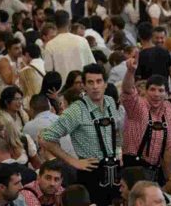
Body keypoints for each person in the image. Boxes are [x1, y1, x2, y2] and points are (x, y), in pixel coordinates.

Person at [42, 64, 123, 205]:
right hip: (91, 173)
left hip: (114, 171)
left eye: (99, 81)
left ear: (105, 84)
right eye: (90, 82)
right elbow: (45, 138)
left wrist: (118, 151)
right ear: (84, 86)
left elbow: (114, 131)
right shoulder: (76, 110)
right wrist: (73, 161)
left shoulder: (110, 101)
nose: (95, 86)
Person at [122, 48, 171, 184]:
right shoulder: (137, 107)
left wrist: (169, 178)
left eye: (161, 90)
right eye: (152, 89)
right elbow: (128, 90)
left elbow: (168, 148)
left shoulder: (169, 111)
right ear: (145, 91)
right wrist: (131, 72)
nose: (156, 94)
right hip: (134, 168)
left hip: (156, 171)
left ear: (166, 93)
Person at [43, 10, 95, 83]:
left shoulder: (50, 45)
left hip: (62, 90)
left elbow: (48, 72)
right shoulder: (82, 41)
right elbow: (92, 65)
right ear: (69, 23)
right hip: (82, 88)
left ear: (55, 24)